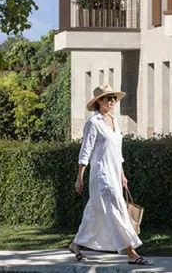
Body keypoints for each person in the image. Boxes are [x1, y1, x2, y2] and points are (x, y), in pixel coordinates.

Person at [67, 84, 151, 266]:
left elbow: (117, 152)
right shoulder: (93, 123)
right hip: (101, 175)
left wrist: (122, 175)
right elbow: (85, 151)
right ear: (99, 101)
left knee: (95, 211)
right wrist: (79, 178)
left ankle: (76, 244)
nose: (112, 101)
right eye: (108, 98)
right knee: (116, 209)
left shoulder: (114, 120)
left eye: (114, 98)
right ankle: (131, 252)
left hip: (114, 173)